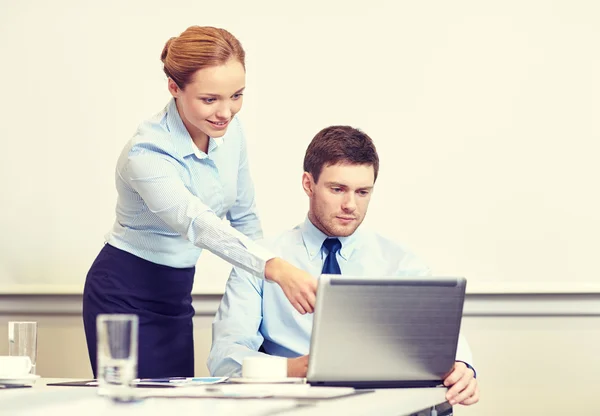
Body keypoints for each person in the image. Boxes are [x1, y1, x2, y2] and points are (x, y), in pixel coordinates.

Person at [82, 26, 316, 379]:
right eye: (210, 99)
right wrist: (276, 268)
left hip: (177, 293)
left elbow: (245, 217)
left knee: (179, 405)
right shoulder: (146, 153)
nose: (226, 112)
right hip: (123, 293)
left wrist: (264, 289)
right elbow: (198, 223)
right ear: (174, 88)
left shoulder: (231, 133)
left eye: (236, 95)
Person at [208, 126, 480, 406]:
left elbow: (442, 339)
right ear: (308, 184)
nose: (351, 205)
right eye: (337, 189)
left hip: (382, 407)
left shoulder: (400, 263)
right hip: (292, 405)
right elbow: (224, 358)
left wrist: (463, 367)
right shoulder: (261, 260)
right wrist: (296, 369)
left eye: (363, 192)